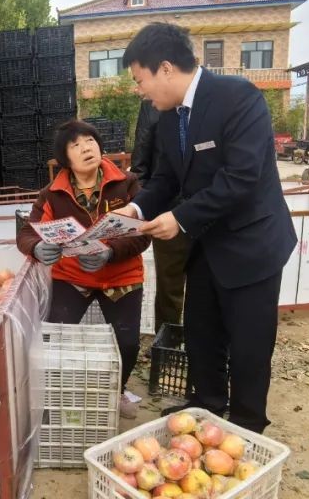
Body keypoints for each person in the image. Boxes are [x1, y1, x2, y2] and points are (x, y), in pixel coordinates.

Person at [112, 23, 296, 433]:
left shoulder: (237, 97)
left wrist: (179, 218)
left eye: (140, 80)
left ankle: (247, 423)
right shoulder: (168, 117)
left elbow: (241, 176)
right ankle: (207, 404)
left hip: (251, 244)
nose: (140, 91)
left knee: (248, 342)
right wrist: (136, 209)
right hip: (207, 243)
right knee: (202, 331)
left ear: (165, 68)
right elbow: (166, 178)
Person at [17, 120, 151, 418]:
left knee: (127, 344)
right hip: (73, 277)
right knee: (55, 339)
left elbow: (144, 233)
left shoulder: (127, 183)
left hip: (121, 277)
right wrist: (37, 248)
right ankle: (56, 393)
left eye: (90, 141)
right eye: (75, 145)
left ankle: (117, 390)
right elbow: (26, 233)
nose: (86, 148)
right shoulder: (52, 193)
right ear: (65, 158)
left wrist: (110, 252)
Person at [131, 99, 190, 329]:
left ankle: (199, 342)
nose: (141, 89)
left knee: (206, 285)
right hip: (166, 209)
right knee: (169, 286)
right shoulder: (153, 105)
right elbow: (141, 160)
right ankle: (167, 341)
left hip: (209, 212)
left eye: (141, 82)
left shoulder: (214, 100)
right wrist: (140, 206)